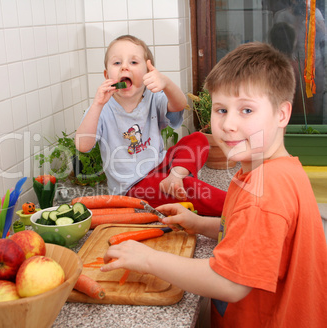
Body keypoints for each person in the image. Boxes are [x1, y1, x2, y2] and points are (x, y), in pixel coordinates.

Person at [101, 42, 327, 327]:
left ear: (282, 114)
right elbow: (244, 230)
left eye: (246, 110)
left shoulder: (266, 192)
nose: (229, 124)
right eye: (221, 110)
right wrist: (199, 224)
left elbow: (230, 283)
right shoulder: (260, 172)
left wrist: (147, 259)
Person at [76, 35, 227, 216]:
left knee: (199, 139)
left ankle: (176, 176)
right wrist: (97, 105)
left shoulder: (153, 98)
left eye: (133, 62)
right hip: (134, 187)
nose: (124, 66)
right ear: (107, 76)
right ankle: (236, 206)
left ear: (148, 73)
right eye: (117, 63)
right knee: (191, 189)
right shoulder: (101, 109)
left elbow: (179, 105)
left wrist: (167, 83)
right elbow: (83, 146)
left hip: (162, 165)